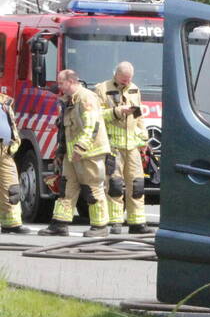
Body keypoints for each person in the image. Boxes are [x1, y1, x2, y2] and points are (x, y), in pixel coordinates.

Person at [37, 70, 110, 237]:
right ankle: (60, 224)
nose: (59, 86)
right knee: (66, 188)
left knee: (92, 188)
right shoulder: (69, 100)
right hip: (73, 154)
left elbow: (91, 126)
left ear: (71, 81)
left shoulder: (86, 98)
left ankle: (100, 227)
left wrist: (81, 148)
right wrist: (61, 152)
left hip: (89, 153)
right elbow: (65, 129)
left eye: (61, 83)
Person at [94, 62, 150, 234]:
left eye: (129, 79)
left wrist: (144, 140)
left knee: (137, 184)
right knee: (115, 185)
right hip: (113, 146)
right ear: (116, 74)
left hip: (132, 146)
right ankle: (115, 222)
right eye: (123, 79)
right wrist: (118, 111)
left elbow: (139, 117)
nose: (126, 82)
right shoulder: (102, 89)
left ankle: (137, 222)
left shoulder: (135, 89)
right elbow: (96, 116)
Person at [0, 91, 30, 234]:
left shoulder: (5, 101)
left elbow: (11, 124)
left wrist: (15, 142)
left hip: (5, 151)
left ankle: (11, 223)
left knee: (11, 187)